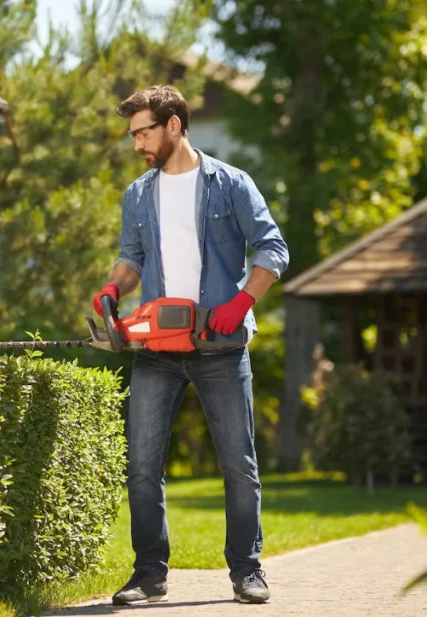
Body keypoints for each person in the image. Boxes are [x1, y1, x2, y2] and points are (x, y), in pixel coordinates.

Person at [93, 85, 289, 606]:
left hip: (221, 348)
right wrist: (115, 286)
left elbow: (273, 248)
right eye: (133, 134)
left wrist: (242, 303)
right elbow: (130, 258)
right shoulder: (138, 194)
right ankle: (149, 574)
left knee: (238, 466)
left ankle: (247, 569)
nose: (137, 143)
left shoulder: (230, 184)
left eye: (144, 131)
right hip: (157, 349)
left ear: (174, 125)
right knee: (141, 466)